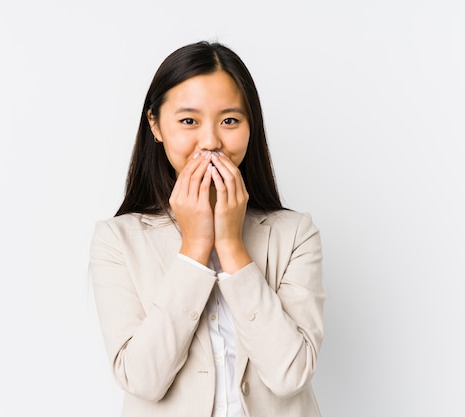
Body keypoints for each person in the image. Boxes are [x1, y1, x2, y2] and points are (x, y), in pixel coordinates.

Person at [89, 40, 325, 417]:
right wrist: (196, 247)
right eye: (188, 121)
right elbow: (141, 380)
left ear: (251, 126)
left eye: (230, 120)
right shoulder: (117, 240)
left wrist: (231, 247)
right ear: (155, 124)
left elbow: (291, 374)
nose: (212, 141)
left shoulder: (295, 234)